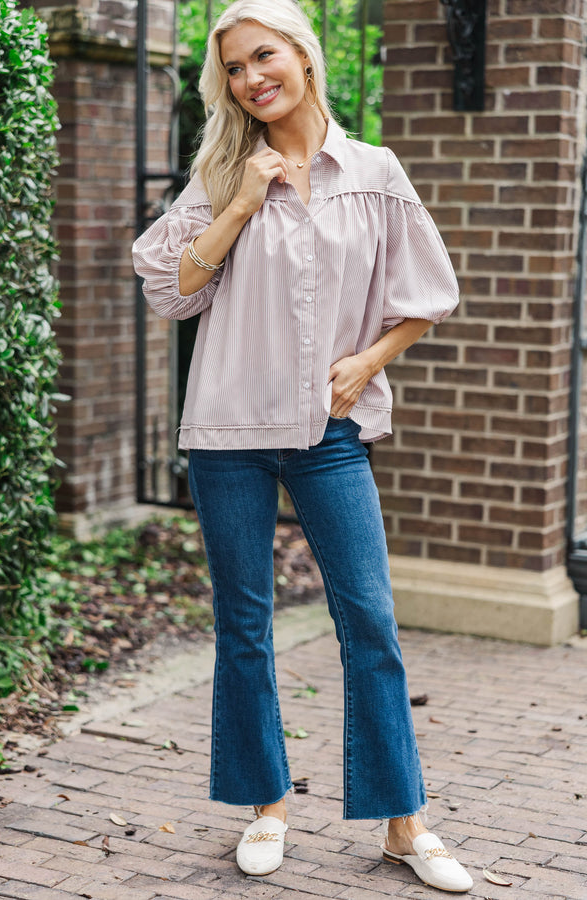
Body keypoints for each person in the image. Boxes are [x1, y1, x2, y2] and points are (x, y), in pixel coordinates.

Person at [132, 0, 473, 892]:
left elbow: (426, 296)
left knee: (370, 619)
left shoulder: (374, 171)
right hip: (228, 430)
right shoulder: (223, 172)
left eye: (263, 56)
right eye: (236, 70)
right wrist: (242, 201)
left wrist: (367, 360)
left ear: (304, 56)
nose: (251, 79)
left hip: (328, 430)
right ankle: (266, 808)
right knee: (244, 623)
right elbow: (171, 292)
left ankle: (405, 824)